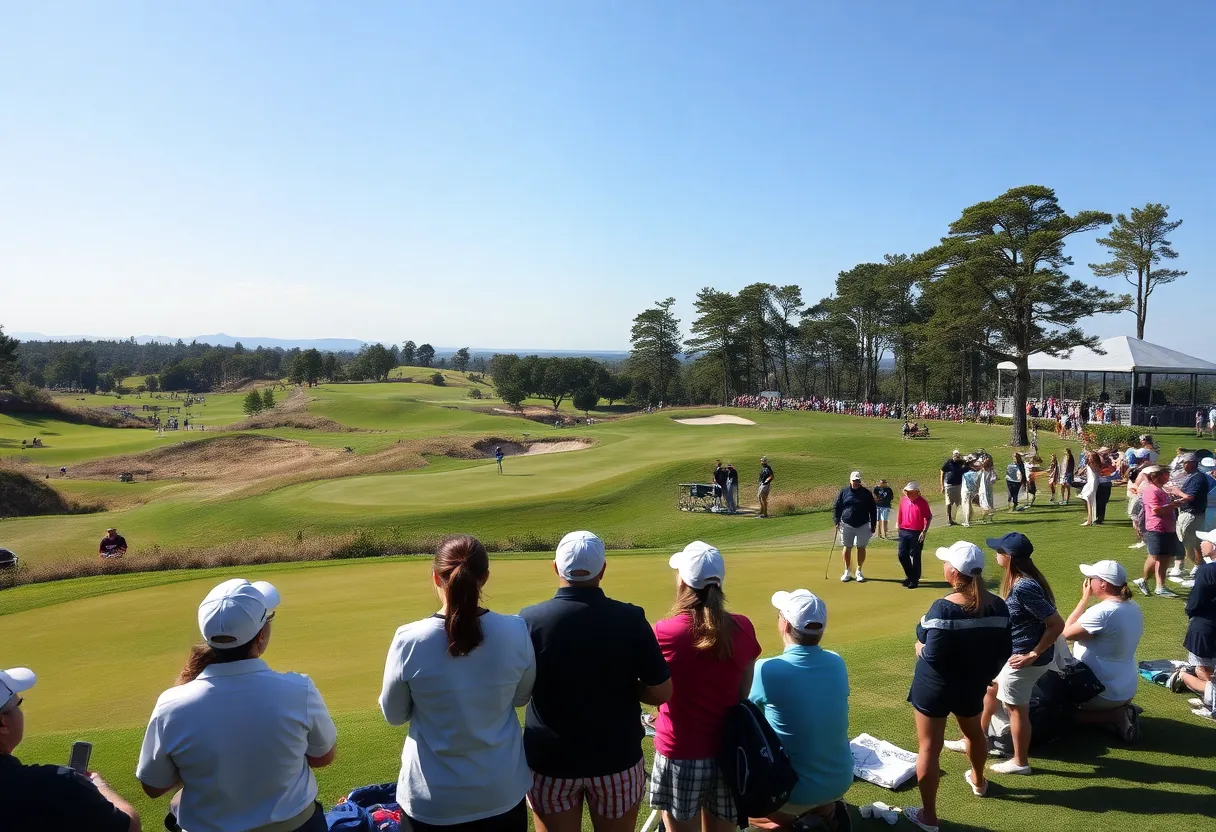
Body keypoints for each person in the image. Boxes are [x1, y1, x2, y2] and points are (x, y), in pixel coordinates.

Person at [137, 579, 338, 832]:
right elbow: (323, 757)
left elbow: (153, 785)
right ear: (262, 635)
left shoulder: (171, 704)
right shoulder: (299, 689)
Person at [380, 536, 536, 831]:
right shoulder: (516, 630)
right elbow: (520, 697)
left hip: (432, 801)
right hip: (501, 793)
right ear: (485, 578)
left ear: (436, 577)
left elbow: (395, 714)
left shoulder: (409, 639)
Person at [519, 532, 672, 832]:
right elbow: (662, 691)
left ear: (555, 568)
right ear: (602, 570)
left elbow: (517, 693)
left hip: (551, 763)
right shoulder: (630, 618)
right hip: (616, 759)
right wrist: (631, 687)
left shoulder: (529, 620)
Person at [650, 542, 761, 832]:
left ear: (684, 582)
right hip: (728, 754)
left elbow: (654, 688)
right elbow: (741, 694)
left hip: (680, 753)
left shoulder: (665, 631)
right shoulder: (743, 627)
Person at [903, 542, 1012, 832]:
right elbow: (1004, 651)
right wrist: (984, 674)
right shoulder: (998, 605)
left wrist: (919, 648)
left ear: (953, 572)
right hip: (971, 684)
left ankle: (928, 817)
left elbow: (933, 654)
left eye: (945, 564)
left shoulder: (943, 607)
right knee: (974, 733)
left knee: (929, 747)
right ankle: (978, 780)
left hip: (935, 686)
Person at [945, 533, 1063, 776]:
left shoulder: (1024, 586)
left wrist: (1032, 653)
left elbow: (1056, 624)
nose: (995, 554)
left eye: (999, 551)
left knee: (1016, 708)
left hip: (1024, 659)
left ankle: (1020, 762)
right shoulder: (1021, 580)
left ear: (1008, 557)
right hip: (1015, 653)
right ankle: (975, 737)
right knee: (991, 689)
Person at [747, 590, 852, 826]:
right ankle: (825, 811)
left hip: (792, 793)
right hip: (840, 781)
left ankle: (792, 825)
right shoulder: (836, 662)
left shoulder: (766, 669)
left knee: (738, 806)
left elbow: (743, 714)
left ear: (784, 625)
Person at [1, 667, 142, 832]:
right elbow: (130, 826)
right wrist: (99, 786)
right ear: (3, 723)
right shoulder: (58, 784)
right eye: (19, 704)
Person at [1061, 561, 1144, 741]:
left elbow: (1065, 633)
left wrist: (1084, 600)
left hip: (1101, 692)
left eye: (1092, 578)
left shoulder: (1102, 612)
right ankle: (1122, 709)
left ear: (1103, 584)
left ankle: (1115, 716)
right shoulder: (1133, 607)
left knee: (1055, 711)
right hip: (1126, 688)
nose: (1089, 581)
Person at [1167, 530, 1216, 705]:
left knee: (1203, 667)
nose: (1201, 544)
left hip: (1206, 625)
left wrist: (1190, 611)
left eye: (1206, 541)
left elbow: (1197, 599)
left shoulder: (1207, 570)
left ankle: (1208, 699)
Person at [1132, 465, 1182, 598]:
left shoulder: (1160, 490)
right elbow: (1156, 510)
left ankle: (1153, 584)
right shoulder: (1151, 491)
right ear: (1157, 476)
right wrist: (1173, 505)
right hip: (1157, 528)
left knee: (1162, 557)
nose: (1168, 476)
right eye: (1166, 474)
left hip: (1166, 528)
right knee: (1157, 557)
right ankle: (1154, 584)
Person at [1167, 453, 1207, 583]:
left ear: (1192, 463)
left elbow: (1190, 497)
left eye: (1185, 463)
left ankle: (1198, 566)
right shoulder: (1193, 477)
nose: (1183, 465)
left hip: (1192, 514)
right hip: (1190, 512)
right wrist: (1176, 498)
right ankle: (1197, 566)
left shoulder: (1198, 478)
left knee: (1188, 542)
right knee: (1190, 542)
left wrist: (1175, 491)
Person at [833, 471, 877, 583]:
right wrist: (836, 520)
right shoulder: (844, 492)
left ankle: (859, 571)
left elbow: (872, 510)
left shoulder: (866, 493)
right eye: (854, 481)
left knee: (861, 547)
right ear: (850, 481)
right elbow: (837, 507)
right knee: (847, 547)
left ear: (860, 481)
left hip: (862, 524)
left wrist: (873, 525)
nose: (856, 483)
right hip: (846, 524)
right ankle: (847, 571)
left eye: (858, 481)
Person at [896, 482, 933, 589]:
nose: (907, 494)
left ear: (916, 492)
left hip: (916, 532)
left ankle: (914, 580)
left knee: (915, 556)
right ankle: (910, 576)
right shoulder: (903, 500)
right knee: (902, 554)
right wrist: (898, 525)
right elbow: (900, 513)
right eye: (906, 492)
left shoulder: (922, 502)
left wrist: (924, 531)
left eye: (910, 492)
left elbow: (928, 517)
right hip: (903, 531)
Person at [940, 450, 968, 525]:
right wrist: (942, 486)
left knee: (960, 503)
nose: (956, 456)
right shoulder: (948, 462)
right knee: (949, 503)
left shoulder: (961, 462)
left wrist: (962, 458)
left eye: (957, 455)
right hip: (949, 486)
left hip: (959, 485)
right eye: (955, 455)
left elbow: (967, 461)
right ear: (952, 455)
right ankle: (949, 520)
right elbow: (942, 472)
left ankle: (961, 518)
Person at [1079, 450, 1100, 527]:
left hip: (1092, 482)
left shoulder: (1093, 464)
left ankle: (1089, 519)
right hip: (1090, 481)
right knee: (1088, 499)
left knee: (1089, 499)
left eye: (1090, 457)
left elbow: (1088, 464)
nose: (1089, 457)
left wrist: (1086, 454)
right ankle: (1090, 518)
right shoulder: (1093, 463)